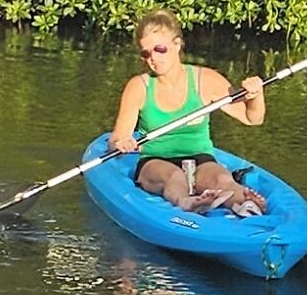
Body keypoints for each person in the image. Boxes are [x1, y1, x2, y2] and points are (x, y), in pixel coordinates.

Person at [108, 13, 264, 214]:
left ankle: (245, 201)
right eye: (146, 53)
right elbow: (116, 139)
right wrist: (121, 144)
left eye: (160, 49)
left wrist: (256, 95)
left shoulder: (205, 80)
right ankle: (187, 202)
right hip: (155, 160)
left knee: (222, 179)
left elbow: (253, 118)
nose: (153, 58)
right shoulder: (139, 86)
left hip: (200, 158)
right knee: (175, 177)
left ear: (177, 44)